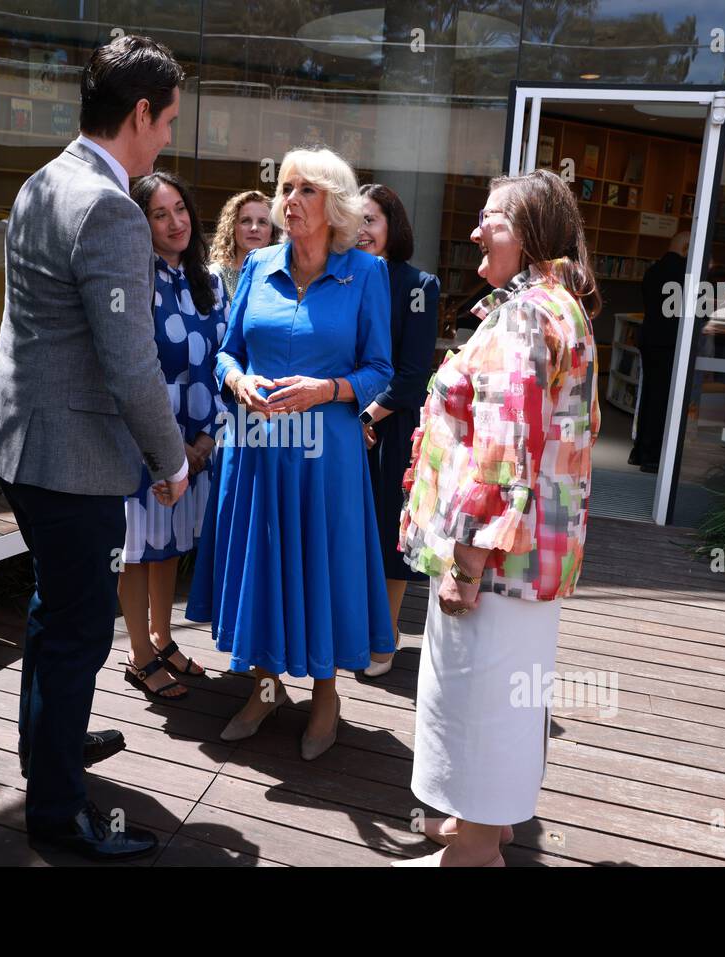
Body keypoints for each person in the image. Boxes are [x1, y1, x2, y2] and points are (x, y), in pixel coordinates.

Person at [0, 35, 189, 862]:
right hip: (68, 457)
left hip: (23, 440)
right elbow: (131, 364)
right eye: (167, 120)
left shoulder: (43, 179)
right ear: (139, 113)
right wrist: (171, 461)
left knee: (54, 612)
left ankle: (48, 752)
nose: (169, 136)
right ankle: (58, 810)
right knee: (78, 630)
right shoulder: (109, 209)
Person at [395, 168, 600, 867]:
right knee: (507, 692)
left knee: (481, 694)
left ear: (534, 236)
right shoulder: (554, 302)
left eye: (495, 220)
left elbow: (504, 445)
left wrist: (469, 562)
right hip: (531, 554)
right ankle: (482, 825)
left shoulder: (526, 314)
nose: (478, 229)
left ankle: (475, 852)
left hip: (498, 560)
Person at [186, 146, 394, 761]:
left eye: (305, 189)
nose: (290, 200)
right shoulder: (259, 265)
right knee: (264, 566)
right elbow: (226, 352)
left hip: (325, 451)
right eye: (285, 188)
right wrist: (237, 381)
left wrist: (326, 390)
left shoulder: (366, 274)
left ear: (333, 204)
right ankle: (265, 688)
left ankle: (326, 696)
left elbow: (382, 369)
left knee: (321, 566)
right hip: (257, 446)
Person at [120, 170, 226, 701]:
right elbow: (131, 368)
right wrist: (169, 447)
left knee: (169, 546)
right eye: (159, 213)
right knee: (138, 549)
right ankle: (139, 655)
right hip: (145, 444)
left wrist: (206, 440)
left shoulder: (210, 279)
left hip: (198, 443)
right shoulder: (134, 282)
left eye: (180, 208)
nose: (174, 221)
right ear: (141, 223)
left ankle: (163, 637)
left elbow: (225, 363)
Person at [353, 183, 439, 679]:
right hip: (345, 422)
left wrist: (369, 416)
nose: (362, 229)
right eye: (356, 220)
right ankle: (356, 627)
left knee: (389, 532)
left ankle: (385, 636)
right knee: (351, 531)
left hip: (390, 424)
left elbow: (411, 375)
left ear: (392, 227)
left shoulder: (417, 285)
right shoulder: (341, 279)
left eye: (372, 220)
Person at [630, 231, 687, 473]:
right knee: (663, 401)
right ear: (687, 248)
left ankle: (640, 450)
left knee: (649, 397)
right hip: (672, 343)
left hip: (651, 339)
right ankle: (654, 455)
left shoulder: (653, 270)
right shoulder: (687, 273)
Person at [209, 190, 274, 299]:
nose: (254, 228)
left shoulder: (280, 277)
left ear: (273, 233)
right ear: (232, 228)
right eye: (246, 221)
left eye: (262, 222)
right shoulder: (215, 276)